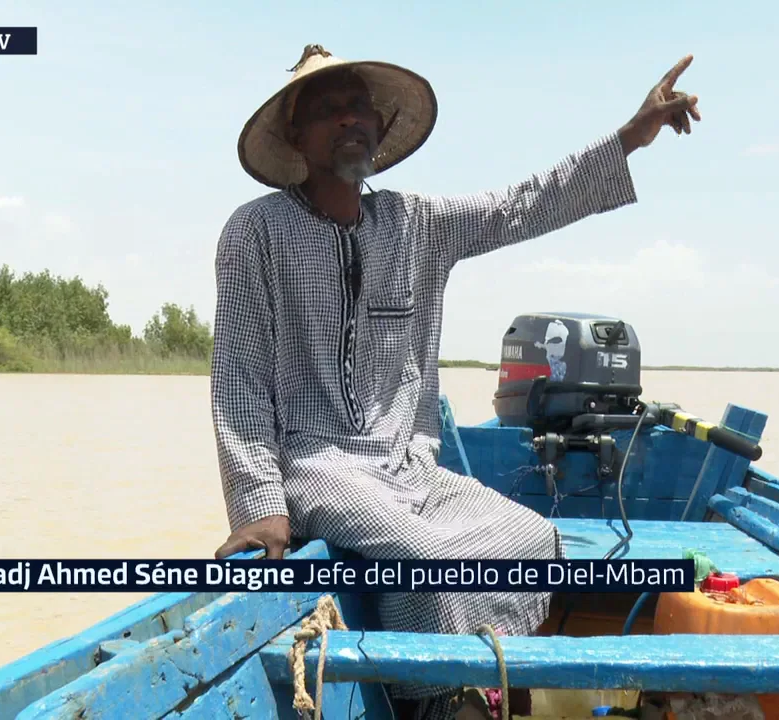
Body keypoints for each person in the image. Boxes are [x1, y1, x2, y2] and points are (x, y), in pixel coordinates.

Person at [211, 44, 700, 720]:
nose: (348, 120)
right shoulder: (256, 231)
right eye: (328, 111)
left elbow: (520, 206)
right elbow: (237, 374)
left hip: (410, 466)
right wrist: (258, 501)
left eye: (359, 109)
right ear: (298, 137)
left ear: (379, 131)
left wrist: (629, 138)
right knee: (423, 561)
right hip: (319, 464)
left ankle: (499, 691)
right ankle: (435, 706)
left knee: (535, 539)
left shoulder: (415, 222)